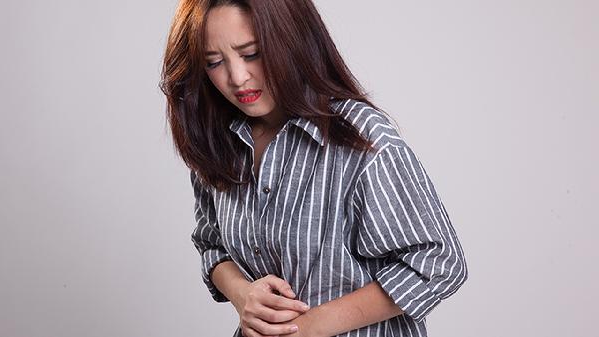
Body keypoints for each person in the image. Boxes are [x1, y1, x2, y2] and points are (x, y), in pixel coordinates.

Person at [159, 0, 468, 336]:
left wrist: (307, 327)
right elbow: (211, 242)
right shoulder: (219, 143)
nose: (237, 77)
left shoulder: (361, 139)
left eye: (251, 53)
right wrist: (242, 293)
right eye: (214, 62)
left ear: (292, 39)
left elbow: (439, 263)